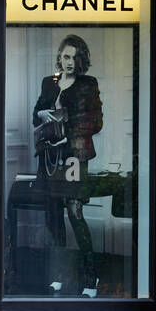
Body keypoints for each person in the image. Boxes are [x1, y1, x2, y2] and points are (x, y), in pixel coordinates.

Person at [33, 34, 103, 296]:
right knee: (53, 216)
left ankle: (90, 277)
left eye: (74, 57)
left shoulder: (88, 84)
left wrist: (67, 131)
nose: (69, 61)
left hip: (74, 156)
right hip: (50, 158)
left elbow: (95, 122)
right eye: (65, 56)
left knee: (74, 213)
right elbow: (35, 115)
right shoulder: (49, 83)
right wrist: (41, 113)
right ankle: (59, 274)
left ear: (80, 59)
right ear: (59, 58)